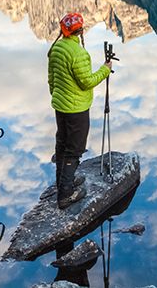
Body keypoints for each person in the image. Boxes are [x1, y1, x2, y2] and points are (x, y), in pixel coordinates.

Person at [48, 12, 113, 208]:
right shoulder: (79, 53)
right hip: (77, 109)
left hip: (60, 106)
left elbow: (51, 78)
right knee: (74, 149)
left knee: (62, 143)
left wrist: (57, 96)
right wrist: (105, 69)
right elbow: (87, 82)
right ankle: (66, 194)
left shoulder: (56, 48)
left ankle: (62, 181)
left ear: (63, 30)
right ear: (81, 31)